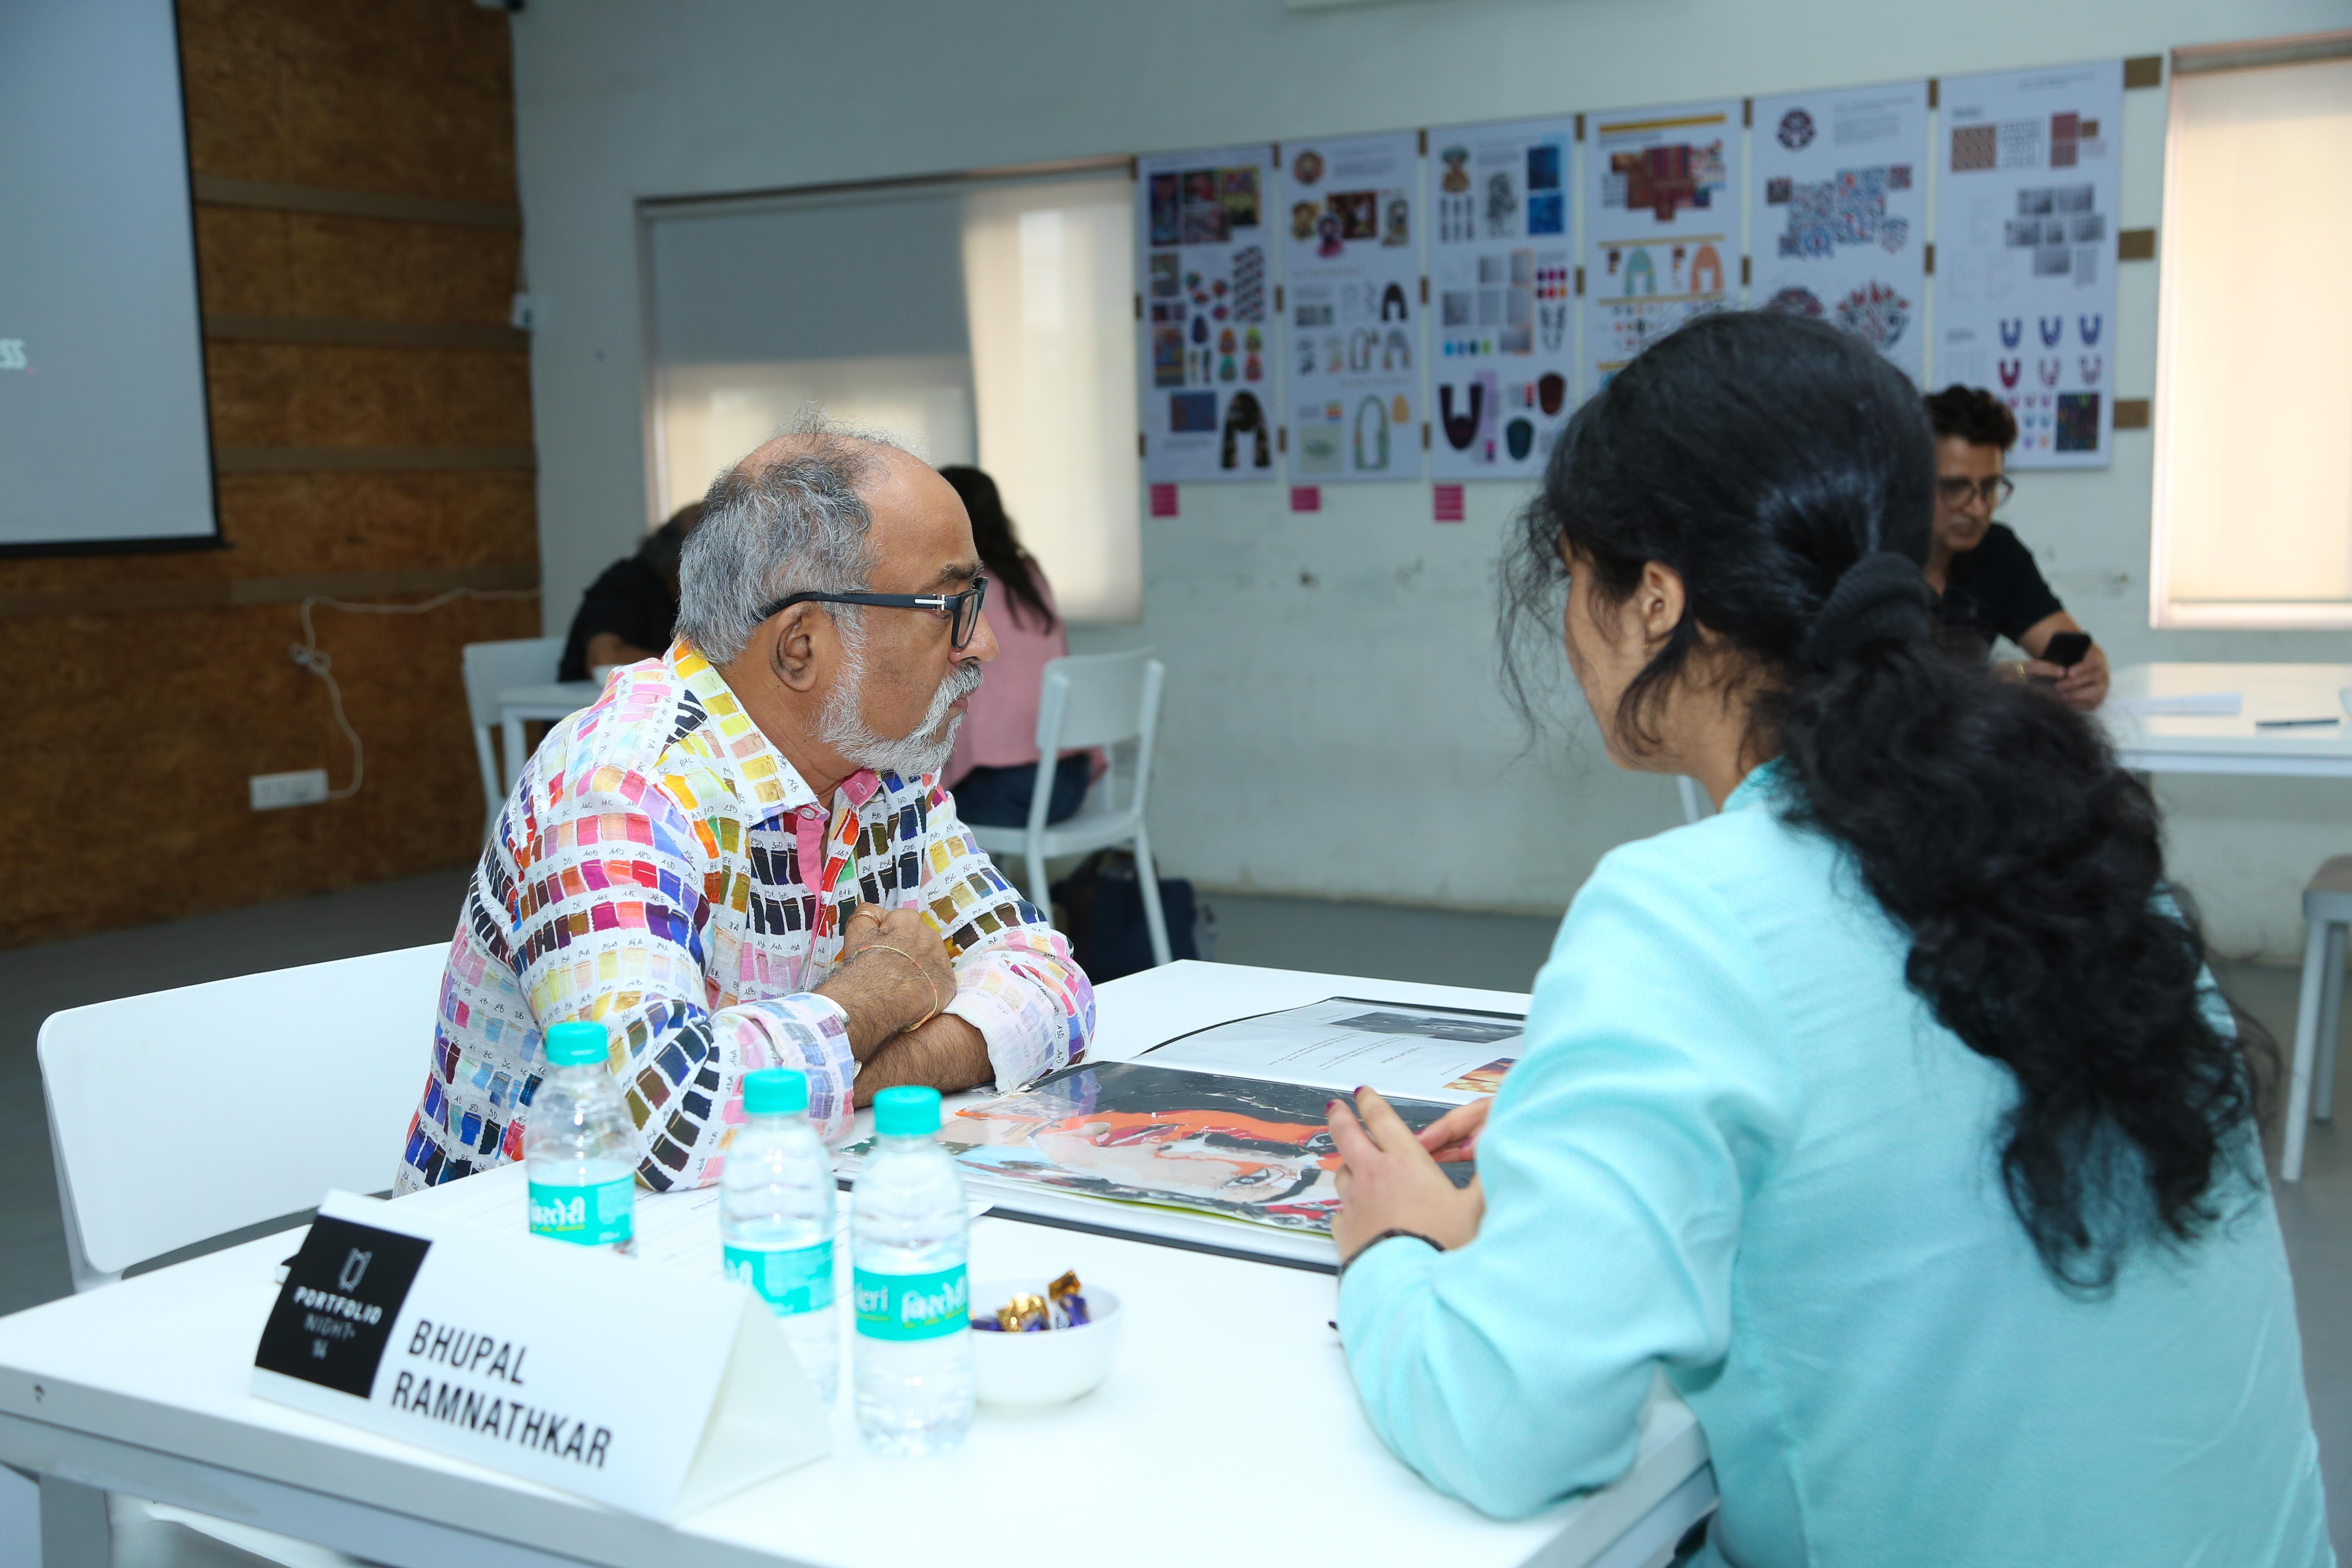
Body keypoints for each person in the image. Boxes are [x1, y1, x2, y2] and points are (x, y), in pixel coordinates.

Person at [1323, 314, 2328, 1564]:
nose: (1569, 624)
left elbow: (1511, 1426)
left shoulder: (1683, 916)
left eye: (1576, 576)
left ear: (1654, 600)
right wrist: (1593, 1124)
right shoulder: (2073, 849)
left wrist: (1391, 1244)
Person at [396, 421, 1095, 1193]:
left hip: (757, 1206)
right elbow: (660, 1123)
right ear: (801, 646)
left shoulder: (881, 764)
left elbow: (1054, 990)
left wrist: (845, 1069)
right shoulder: (620, 786)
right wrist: (878, 997)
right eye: (948, 605)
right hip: (541, 1241)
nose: (983, 643)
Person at [1922, 385, 2109, 710]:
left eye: (1990, 487)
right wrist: (1996, 680)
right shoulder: (1868, 556)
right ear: (1911, 482)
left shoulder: (1997, 551)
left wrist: (2088, 672)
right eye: (1955, 488)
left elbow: (2070, 647)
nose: (1978, 508)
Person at [934, 466, 1095, 827]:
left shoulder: (960, 590)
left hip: (1007, 789)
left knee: (898, 803)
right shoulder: (1029, 575)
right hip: (1071, 781)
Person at [556, 502, 701, 682]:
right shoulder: (624, 584)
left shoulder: (701, 593)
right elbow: (605, 661)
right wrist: (696, 663)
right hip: (596, 697)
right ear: (682, 561)